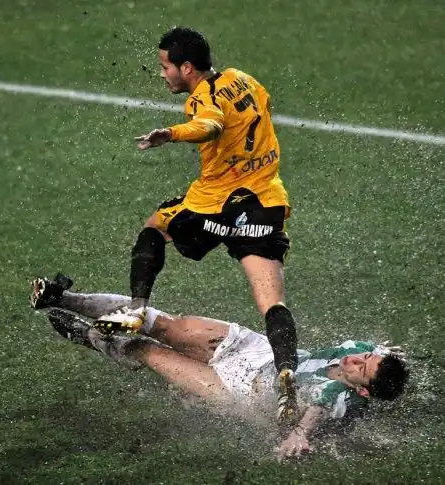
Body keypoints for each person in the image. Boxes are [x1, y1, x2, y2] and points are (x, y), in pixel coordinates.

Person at [86, 26, 300, 418]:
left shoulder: (201, 98)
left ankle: (137, 308)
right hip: (263, 205)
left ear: (187, 68)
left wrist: (171, 133)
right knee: (271, 301)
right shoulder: (244, 80)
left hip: (214, 204)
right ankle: (287, 372)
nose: (162, 74)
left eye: (165, 66)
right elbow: (258, 113)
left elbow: (210, 125)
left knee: (155, 226)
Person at [32, 284, 409, 460]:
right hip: (257, 351)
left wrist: (299, 435)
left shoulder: (339, 398)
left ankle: (90, 337)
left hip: (237, 391)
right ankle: (62, 296)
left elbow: (317, 408)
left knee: (148, 351)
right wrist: (392, 356)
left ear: (362, 391)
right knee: (165, 325)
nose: (354, 361)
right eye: (365, 357)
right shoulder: (358, 352)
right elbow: (376, 351)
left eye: (362, 369)